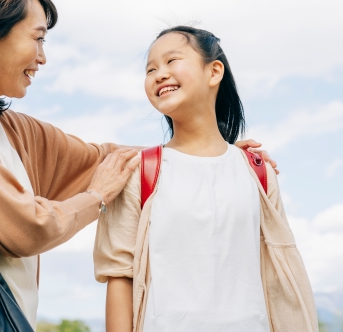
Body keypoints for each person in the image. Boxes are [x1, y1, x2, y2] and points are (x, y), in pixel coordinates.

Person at [0, 0, 275, 330]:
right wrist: (97, 198)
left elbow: (105, 158)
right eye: (37, 38)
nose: (43, 57)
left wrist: (212, 153)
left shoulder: (14, 131)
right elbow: (25, 229)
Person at [94, 26, 318, 332]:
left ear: (214, 72)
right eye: (151, 69)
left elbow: (281, 272)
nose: (159, 74)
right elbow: (119, 274)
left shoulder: (258, 171)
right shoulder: (136, 172)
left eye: (172, 61)